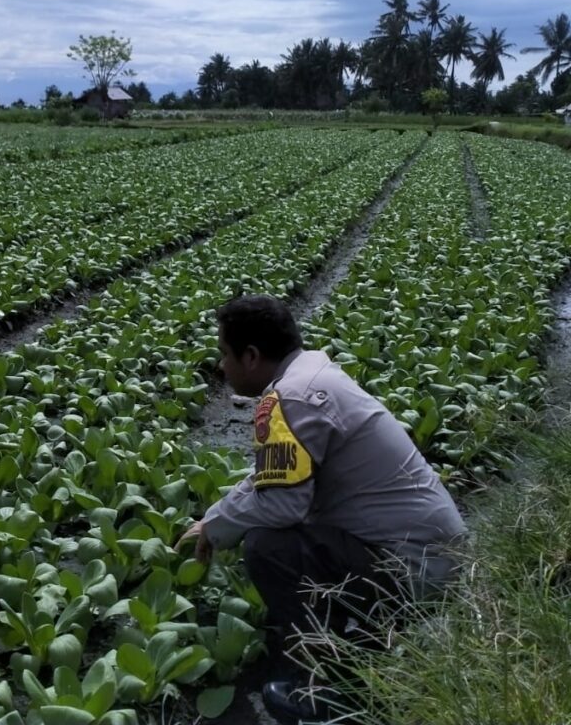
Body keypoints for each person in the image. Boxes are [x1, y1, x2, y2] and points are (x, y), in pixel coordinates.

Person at [176, 294, 466, 725]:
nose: (221, 367)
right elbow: (273, 478)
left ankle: (324, 688)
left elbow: (281, 506)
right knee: (277, 536)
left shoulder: (290, 398)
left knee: (268, 547)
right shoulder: (312, 376)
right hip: (433, 556)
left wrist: (220, 529)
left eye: (223, 353)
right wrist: (214, 520)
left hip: (414, 571)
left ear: (251, 356)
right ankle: (360, 642)